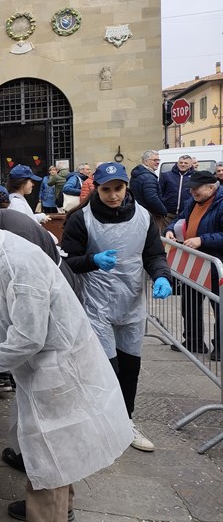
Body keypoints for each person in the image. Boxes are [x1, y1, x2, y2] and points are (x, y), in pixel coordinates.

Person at [0, 198, 131, 521]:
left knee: (51, 450)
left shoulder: (20, 263)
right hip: (38, 364)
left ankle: (48, 513)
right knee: (54, 451)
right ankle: (58, 507)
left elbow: (29, 337)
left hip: (58, 365)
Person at [61, 162, 172, 452]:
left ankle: (126, 421)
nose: (113, 195)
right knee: (105, 368)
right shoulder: (81, 219)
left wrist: (161, 275)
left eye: (118, 188)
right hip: (97, 303)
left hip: (132, 301)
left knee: (130, 367)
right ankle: (102, 423)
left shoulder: (144, 217)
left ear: (127, 187)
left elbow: (154, 254)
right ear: (96, 189)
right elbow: (69, 259)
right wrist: (92, 261)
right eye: (106, 189)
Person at [165, 170, 223, 361]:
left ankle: (220, 347)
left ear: (211, 187)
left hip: (215, 265)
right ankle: (193, 341)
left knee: (219, 308)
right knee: (189, 304)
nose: (193, 192)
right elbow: (179, 219)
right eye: (191, 188)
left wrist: (202, 240)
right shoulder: (192, 202)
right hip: (193, 263)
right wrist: (170, 230)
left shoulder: (220, 203)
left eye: (197, 188)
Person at [130, 150, 168, 219]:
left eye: (158, 160)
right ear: (146, 161)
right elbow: (152, 198)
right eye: (155, 160)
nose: (158, 162)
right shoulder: (149, 177)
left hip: (139, 213)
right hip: (149, 214)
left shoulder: (138, 174)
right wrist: (163, 211)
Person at [159, 154, 194, 219]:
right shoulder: (166, 176)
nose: (183, 164)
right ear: (177, 164)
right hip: (168, 214)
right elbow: (160, 193)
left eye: (186, 163)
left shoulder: (195, 176)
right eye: (181, 162)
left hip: (187, 214)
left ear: (190, 165)